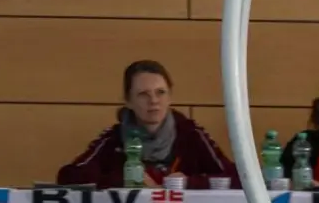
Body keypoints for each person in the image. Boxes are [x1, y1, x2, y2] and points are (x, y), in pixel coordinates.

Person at [57, 60, 237, 189]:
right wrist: (125, 179)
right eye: (143, 94)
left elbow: (235, 177)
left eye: (161, 93)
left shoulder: (190, 134)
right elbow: (69, 176)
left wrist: (188, 183)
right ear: (128, 101)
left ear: (170, 98)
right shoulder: (114, 138)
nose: (154, 101)